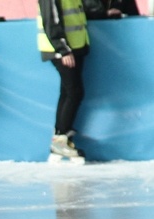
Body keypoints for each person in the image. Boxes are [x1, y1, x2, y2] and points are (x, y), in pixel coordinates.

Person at [38, 0, 91, 163]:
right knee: (74, 92)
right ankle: (60, 139)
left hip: (75, 46)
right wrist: (62, 49)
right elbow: (51, 19)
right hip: (62, 49)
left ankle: (60, 138)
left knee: (68, 92)